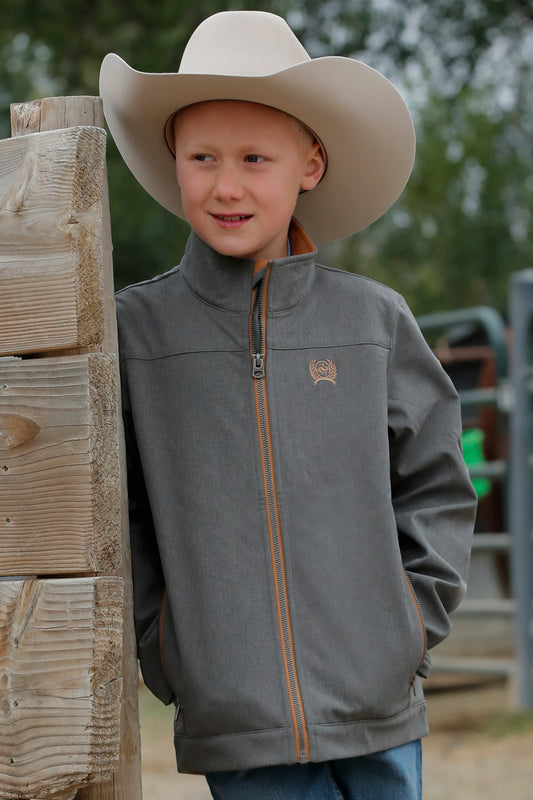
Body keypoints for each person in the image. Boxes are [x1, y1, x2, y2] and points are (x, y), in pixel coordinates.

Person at [99, 11, 477, 799]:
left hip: (376, 703)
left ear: (309, 164)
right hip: (237, 717)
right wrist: (167, 647)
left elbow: (436, 482)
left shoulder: (373, 323)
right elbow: (116, 509)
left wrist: (408, 623)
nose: (225, 184)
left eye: (253, 158)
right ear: (174, 162)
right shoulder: (134, 332)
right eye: (202, 156)